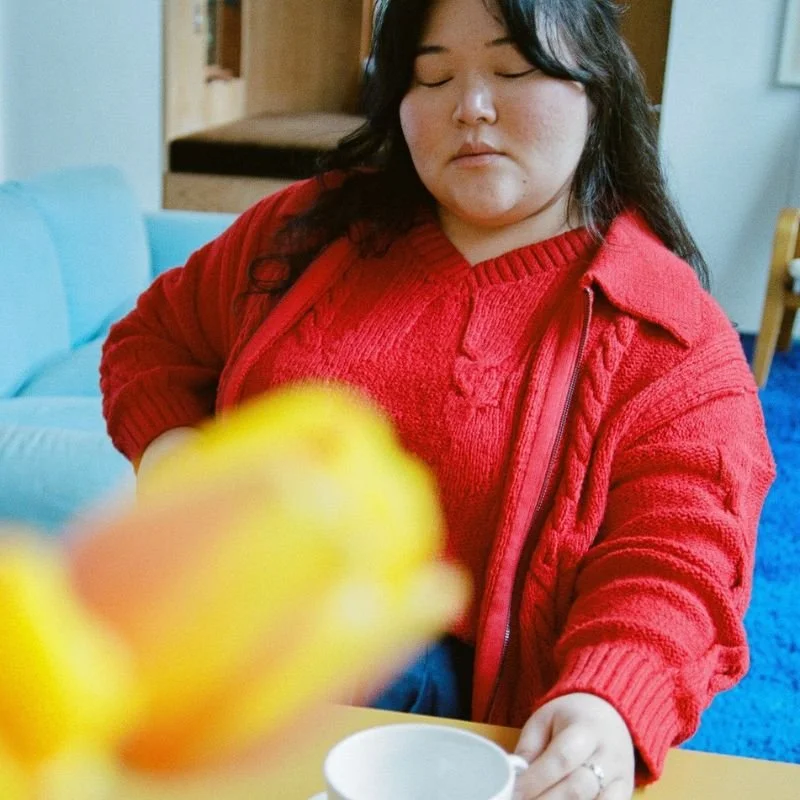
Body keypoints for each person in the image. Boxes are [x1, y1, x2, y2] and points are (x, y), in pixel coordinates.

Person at [100, 0, 776, 797]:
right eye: (433, 74)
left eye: (513, 69)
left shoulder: (664, 328)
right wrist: (174, 453)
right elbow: (153, 337)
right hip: (216, 676)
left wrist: (608, 697)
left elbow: (680, 560)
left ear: (597, 88)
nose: (471, 108)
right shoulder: (303, 230)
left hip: (458, 739)